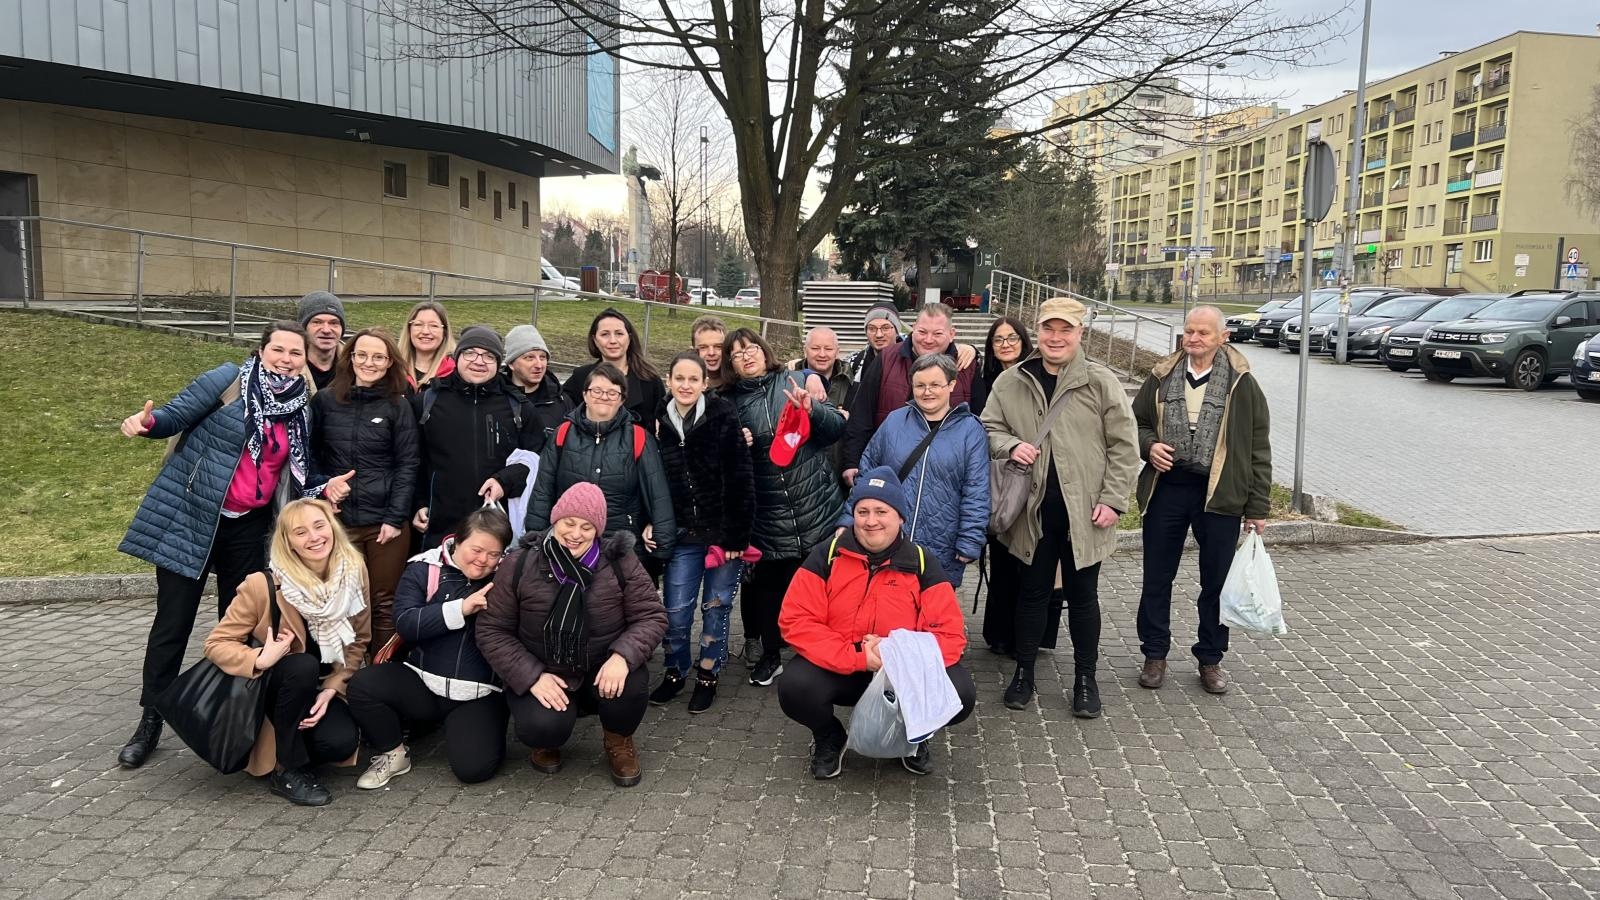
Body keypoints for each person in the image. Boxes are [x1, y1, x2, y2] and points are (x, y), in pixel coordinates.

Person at [116, 321, 338, 770]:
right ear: (261, 351)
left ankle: (219, 717)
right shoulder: (228, 380)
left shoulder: (301, 407)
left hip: (249, 528)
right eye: (279, 350)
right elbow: (175, 415)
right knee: (172, 624)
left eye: (296, 353)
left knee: (235, 625)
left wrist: (325, 487)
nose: (287, 359)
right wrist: (147, 423)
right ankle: (150, 720)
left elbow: (299, 469)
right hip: (193, 519)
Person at [981, 298, 1139, 716]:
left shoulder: (1100, 382)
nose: (1056, 338)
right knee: (1031, 595)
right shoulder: (1012, 381)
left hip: (1086, 514)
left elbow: (1124, 447)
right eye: (1049, 329)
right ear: (1039, 331)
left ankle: (1086, 680)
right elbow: (989, 427)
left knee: (1084, 598)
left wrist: (1113, 500)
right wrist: (1012, 446)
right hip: (1032, 513)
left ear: (1079, 333)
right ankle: (1024, 674)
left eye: (1065, 330)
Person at [778, 467, 975, 779]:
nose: (871, 521)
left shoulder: (923, 562)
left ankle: (914, 737)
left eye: (881, 511)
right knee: (794, 686)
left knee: (961, 692)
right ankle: (830, 737)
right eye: (862, 511)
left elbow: (950, 636)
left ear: (900, 517)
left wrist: (895, 652)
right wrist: (857, 656)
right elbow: (795, 619)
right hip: (844, 663)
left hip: (900, 671)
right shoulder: (827, 555)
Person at [477, 483, 668, 787]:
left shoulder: (620, 561)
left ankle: (618, 740)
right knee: (542, 726)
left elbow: (651, 615)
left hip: (600, 667)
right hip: (546, 670)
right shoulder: (520, 563)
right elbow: (492, 629)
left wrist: (623, 656)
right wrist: (531, 676)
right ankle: (548, 741)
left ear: (598, 530)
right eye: (569, 523)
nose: (576, 534)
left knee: (631, 685)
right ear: (555, 520)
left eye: (587, 526)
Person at [1132, 306, 1271, 695]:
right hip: (1168, 487)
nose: (1193, 339)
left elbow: (1259, 447)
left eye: (1203, 333)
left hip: (1220, 493)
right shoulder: (1161, 375)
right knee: (1157, 578)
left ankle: (1210, 658)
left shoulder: (1243, 383)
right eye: (1189, 331)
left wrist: (1257, 508)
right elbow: (1138, 421)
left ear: (1222, 337)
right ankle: (1154, 654)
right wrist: (1149, 446)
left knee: (1216, 583)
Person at [201, 498, 370, 806]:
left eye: (319, 526)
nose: (314, 537)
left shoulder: (353, 571)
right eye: (300, 532)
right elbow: (216, 643)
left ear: (332, 528)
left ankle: (295, 739)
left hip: (318, 688)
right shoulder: (262, 584)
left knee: (339, 744)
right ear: (288, 542)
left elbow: (359, 639)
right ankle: (287, 769)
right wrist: (259, 658)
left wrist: (332, 688)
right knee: (301, 665)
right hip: (276, 686)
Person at [346, 507, 515, 787]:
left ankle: (477, 727)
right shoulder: (424, 568)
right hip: (422, 682)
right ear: (458, 541)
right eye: (476, 549)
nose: (483, 560)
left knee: (474, 770)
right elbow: (405, 623)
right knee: (364, 684)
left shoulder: (507, 577)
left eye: (494, 554)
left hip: (477, 693)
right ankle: (393, 753)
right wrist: (460, 609)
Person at [723, 328, 846, 687]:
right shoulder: (728, 402)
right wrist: (736, 443)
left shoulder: (794, 380)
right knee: (770, 592)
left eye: (751, 349)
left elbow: (835, 429)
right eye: (736, 354)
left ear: (764, 350)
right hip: (769, 512)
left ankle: (827, 654)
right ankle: (771, 654)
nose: (746, 356)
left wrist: (813, 410)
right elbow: (724, 461)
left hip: (817, 504)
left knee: (827, 586)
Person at [650, 352, 756, 713]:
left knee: (717, 606)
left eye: (693, 379)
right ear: (669, 380)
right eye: (679, 378)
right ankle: (675, 670)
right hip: (682, 533)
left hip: (722, 534)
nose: (685, 385)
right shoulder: (658, 421)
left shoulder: (722, 415)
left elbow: (741, 478)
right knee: (676, 609)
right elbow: (652, 481)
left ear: (704, 383)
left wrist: (735, 538)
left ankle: (708, 673)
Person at [311, 327, 420, 655]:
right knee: (339, 598)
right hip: (338, 522)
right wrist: (325, 487)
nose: (369, 363)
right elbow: (310, 457)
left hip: (384, 523)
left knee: (383, 602)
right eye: (362, 355)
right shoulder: (325, 402)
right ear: (350, 358)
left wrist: (394, 517)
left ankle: (380, 669)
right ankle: (338, 672)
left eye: (378, 357)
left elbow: (408, 464)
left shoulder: (398, 406)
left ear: (389, 363)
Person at [851, 354, 989, 587]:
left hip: (942, 543)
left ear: (952, 385)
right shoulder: (894, 421)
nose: (927, 392)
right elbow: (867, 474)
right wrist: (849, 520)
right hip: (889, 539)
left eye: (935, 385)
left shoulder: (970, 430)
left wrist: (970, 540)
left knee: (931, 617)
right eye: (920, 385)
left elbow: (976, 489)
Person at [527, 363, 676, 562]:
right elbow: (543, 490)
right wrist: (536, 540)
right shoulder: (562, 434)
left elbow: (658, 494)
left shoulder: (639, 438)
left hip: (619, 547)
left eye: (612, 392)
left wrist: (662, 547)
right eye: (597, 390)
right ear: (585, 394)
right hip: (569, 543)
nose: (604, 397)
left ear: (622, 399)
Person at [411, 325, 543, 550]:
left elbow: (537, 457)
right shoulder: (427, 402)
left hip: (496, 526)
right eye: (470, 353)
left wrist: (505, 480)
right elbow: (412, 460)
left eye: (489, 356)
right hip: (439, 525)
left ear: (499, 362)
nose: (479, 361)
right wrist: (417, 503)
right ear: (457, 357)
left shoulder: (518, 406)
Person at [843, 302, 986, 484]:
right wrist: (852, 461)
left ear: (952, 334)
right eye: (922, 332)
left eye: (937, 334)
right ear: (913, 328)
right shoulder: (886, 359)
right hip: (889, 468)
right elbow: (862, 414)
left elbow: (980, 421)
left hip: (946, 475)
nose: (928, 339)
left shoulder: (967, 367)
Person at [978, 315, 1033, 656]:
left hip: (1031, 473)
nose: (1006, 344)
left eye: (1012, 338)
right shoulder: (984, 380)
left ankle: (1026, 634)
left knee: (1028, 561)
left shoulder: (1035, 377)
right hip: (996, 478)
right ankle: (999, 633)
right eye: (998, 339)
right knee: (1000, 559)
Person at [561, 308, 665, 422]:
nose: (613, 340)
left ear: (629, 338)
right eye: (605, 334)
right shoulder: (580, 377)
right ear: (595, 340)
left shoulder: (650, 379)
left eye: (619, 334)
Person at [502, 324, 569, 448]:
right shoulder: (497, 399)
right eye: (529, 357)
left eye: (542, 357)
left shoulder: (562, 401)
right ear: (511, 363)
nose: (539, 364)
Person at [842, 301, 906, 409]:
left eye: (885, 328)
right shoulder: (854, 363)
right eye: (872, 329)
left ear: (896, 330)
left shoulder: (911, 361)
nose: (879, 334)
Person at [398, 301, 457, 390]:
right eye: (418, 324)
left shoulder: (455, 372)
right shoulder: (392, 367)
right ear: (409, 330)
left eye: (434, 326)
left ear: (444, 332)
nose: (425, 331)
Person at [298, 291, 347, 390]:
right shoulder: (287, 366)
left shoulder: (357, 367)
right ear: (304, 328)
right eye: (317, 322)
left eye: (334, 323)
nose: (326, 330)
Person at [690, 315, 728, 390]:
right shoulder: (684, 386)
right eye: (703, 347)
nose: (711, 353)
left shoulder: (741, 383)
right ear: (694, 350)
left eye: (718, 346)